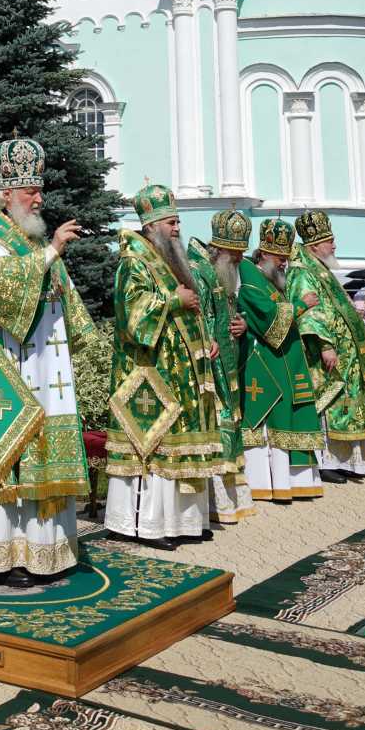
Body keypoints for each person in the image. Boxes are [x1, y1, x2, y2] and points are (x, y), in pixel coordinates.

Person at [0, 136, 98, 584]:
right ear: (7, 195)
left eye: (39, 190)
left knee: (36, 461)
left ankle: (45, 552)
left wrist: (86, 338)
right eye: (30, 192)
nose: (39, 198)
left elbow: (61, 295)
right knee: (5, 459)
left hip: (40, 370)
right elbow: (4, 293)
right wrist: (52, 250)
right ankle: (1, 557)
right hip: (3, 373)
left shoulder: (25, 238)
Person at [102, 185, 224, 544]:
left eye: (178, 222)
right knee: (153, 448)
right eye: (171, 222)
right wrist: (173, 300)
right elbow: (132, 317)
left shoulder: (169, 262)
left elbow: (190, 309)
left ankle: (185, 522)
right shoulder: (134, 262)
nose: (177, 228)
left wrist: (206, 338)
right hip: (149, 372)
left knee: (178, 445)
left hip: (179, 373)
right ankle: (141, 524)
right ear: (152, 225)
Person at [289, 211, 365, 480]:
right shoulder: (303, 272)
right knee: (329, 405)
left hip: (346, 354)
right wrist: (325, 345)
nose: (334, 246)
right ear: (314, 245)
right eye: (330, 241)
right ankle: (326, 462)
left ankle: (353, 461)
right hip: (324, 354)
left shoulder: (320, 269)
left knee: (348, 406)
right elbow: (310, 312)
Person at [236, 218, 321, 502]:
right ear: (264, 253)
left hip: (284, 361)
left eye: (286, 257)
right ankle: (267, 483)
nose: (285, 262)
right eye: (281, 257)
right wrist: (301, 305)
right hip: (265, 365)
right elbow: (270, 322)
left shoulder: (270, 279)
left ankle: (290, 483)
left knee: (290, 415)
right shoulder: (251, 279)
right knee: (270, 420)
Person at [189, 208, 254, 523]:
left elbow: (231, 309)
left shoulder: (223, 272)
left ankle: (230, 501)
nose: (241, 260)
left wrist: (242, 326)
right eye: (237, 253)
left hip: (228, 364)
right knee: (219, 425)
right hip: (210, 365)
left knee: (231, 424)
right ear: (222, 249)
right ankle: (216, 504)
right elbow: (198, 315)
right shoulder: (198, 269)